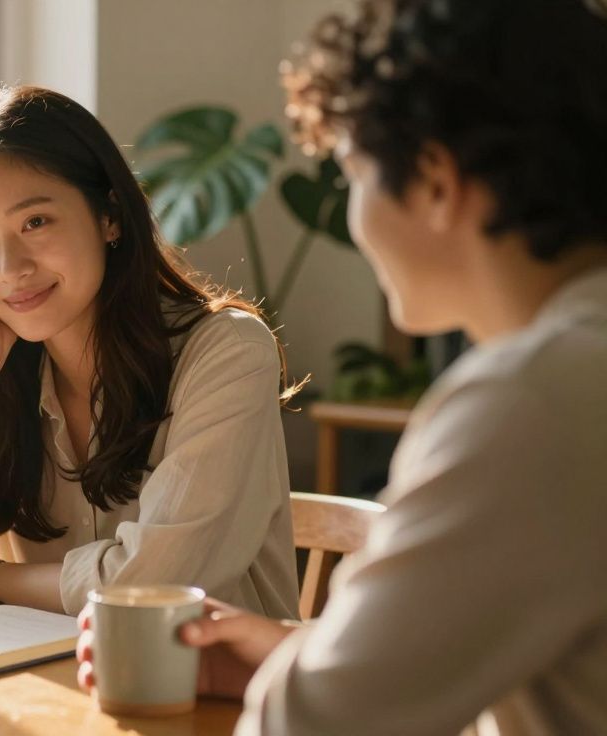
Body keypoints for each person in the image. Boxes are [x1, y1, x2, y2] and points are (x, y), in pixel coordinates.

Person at [78, 0, 607, 732]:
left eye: (352, 173)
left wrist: (305, 681)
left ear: (434, 181)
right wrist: (293, 655)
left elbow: (313, 725)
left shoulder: (530, 403)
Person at [0, 85, 301, 618]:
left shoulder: (227, 352)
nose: (11, 269)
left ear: (110, 216)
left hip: (205, 671)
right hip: (47, 672)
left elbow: (158, 587)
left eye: (35, 222)